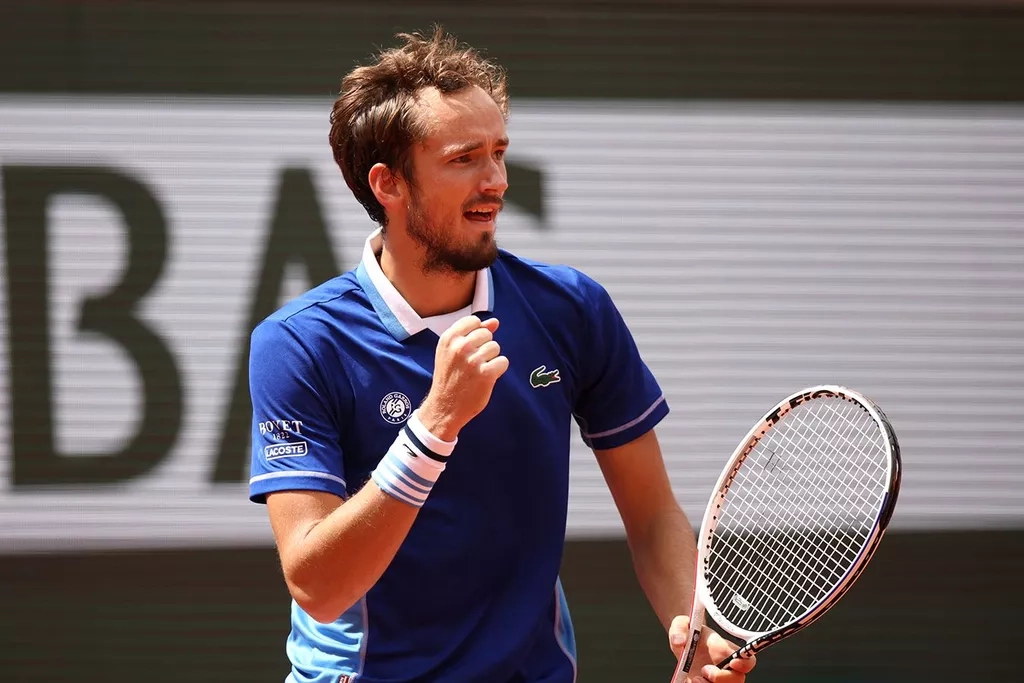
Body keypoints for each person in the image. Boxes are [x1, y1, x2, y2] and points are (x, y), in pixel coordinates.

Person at [248, 27, 757, 683]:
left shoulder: (571, 308)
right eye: (464, 159)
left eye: (498, 153)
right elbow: (317, 586)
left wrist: (693, 631)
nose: (495, 182)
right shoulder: (298, 343)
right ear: (388, 184)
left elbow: (653, 512)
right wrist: (435, 425)